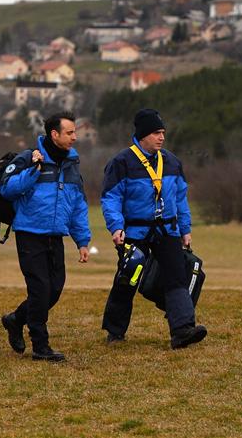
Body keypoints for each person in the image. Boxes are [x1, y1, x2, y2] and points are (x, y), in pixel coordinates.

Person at [100, 108, 207, 349]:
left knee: (177, 277)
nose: (162, 137)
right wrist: (116, 227)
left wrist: (185, 229)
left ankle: (182, 330)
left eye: (163, 133)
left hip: (167, 231)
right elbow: (110, 198)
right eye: (156, 133)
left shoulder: (171, 161)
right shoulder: (121, 162)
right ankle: (115, 331)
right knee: (129, 278)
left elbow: (181, 199)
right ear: (142, 135)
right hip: (134, 232)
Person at [0, 111, 91, 362]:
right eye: (70, 133)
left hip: (55, 236)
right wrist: (33, 170)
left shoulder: (72, 164)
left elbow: (78, 205)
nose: (75, 137)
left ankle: (16, 319)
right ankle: (41, 345)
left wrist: (82, 241)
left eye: (75, 132)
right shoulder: (29, 158)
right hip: (30, 234)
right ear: (54, 134)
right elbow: (7, 189)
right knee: (40, 290)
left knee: (54, 290)